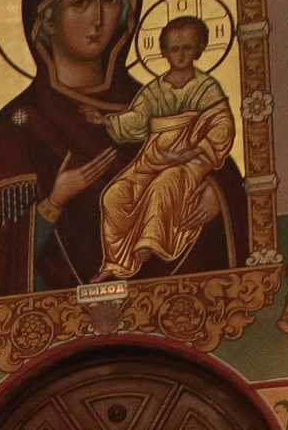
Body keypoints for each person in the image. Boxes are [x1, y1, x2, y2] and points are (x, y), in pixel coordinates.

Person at [0, 0, 245, 295]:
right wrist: (53, 203)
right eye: (80, 3)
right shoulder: (14, 129)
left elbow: (226, 169)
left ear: (126, 13)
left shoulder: (161, 102)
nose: (98, 19)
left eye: (111, 0)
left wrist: (219, 198)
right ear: (47, 21)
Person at [91, 15, 233, 281]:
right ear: (164, 52)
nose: (180, 55)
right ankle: (115, 263)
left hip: (188, 163)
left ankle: (150, 241)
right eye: (174, 49)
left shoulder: (206, 88)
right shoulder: (155, 90)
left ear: (200, 48)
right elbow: (137, 120)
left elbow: (222, 126)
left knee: (164, 184)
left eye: (187, 47)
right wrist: (107, 121)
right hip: (152, 159)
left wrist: (195, 151)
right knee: (115, 195)